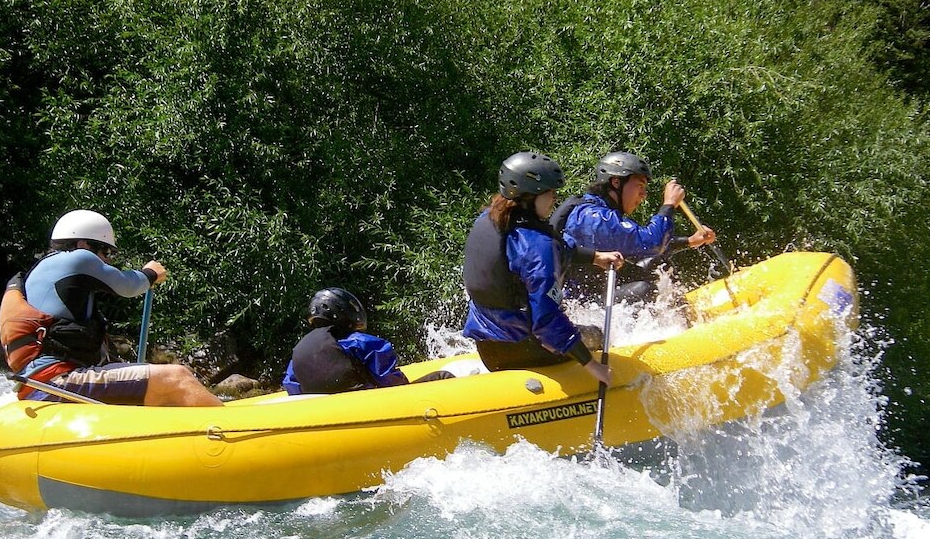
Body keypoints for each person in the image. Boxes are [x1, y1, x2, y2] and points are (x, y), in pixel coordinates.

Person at [0, 209, 222, 406]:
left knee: (156, 380)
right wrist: (150, 273)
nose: (106, 260)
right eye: (105, 251)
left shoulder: (44, 270)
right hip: (57, 379)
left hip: (42, 380)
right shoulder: (78, 259)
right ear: (84, 244)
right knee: (177, 377)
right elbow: (128, 286)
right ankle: (229, 433)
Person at [462, 151, 622, 386]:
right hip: (526, 350)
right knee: (595, 334)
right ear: (529, 197)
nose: (555, 198)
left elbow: (544, 250)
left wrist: (594, 257)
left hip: (488, 350)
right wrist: (593, 366)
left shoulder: (490, 219)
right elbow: (546, 319)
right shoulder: (538, 245)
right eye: (550, 192)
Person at [549, 151, 716, 302]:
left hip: (595, 293)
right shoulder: (595, 217)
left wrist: (690, 241)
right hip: (580, 305)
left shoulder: (601, 212)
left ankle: (680, 312)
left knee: (658, 264)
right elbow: (651, 243)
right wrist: (669, 205)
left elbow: (641, 247)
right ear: (616, 182)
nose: (644, 195)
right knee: (643, 290)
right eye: (640, 186)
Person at [282, 287, 453, 394]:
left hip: (327, 415)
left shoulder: (298, 353)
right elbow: (391, 382)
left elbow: (291, 386)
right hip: (373, 407)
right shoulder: (361, 342)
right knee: (443, 376)